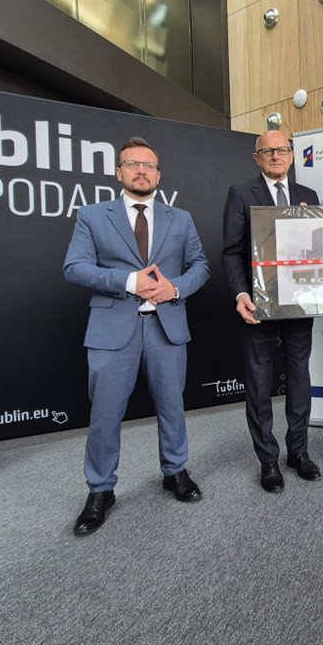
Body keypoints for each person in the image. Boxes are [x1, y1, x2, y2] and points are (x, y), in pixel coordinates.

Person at [64, 136, 210, 536]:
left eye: (148, 165)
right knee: (105, 414)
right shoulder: (93, 216)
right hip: (112, 330)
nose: (141, 171)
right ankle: (100, 489)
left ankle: (175, 471)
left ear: (158, 175)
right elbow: (74, 267)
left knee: (172, 406)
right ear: (119, 172)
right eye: (132, 164)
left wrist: (174, 288)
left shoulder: (181, 218)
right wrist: (129, 281)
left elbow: (200, 266)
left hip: (167, 327)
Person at [221, 130, 321, 494]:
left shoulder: (309, 195)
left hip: (300, 303)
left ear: (292, 155)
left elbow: (318, 250)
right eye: (268, 151)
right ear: (257, 158)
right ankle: (268, 460)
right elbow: (232, 251)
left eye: (282, 150)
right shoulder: (241, 193)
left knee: (299, 379)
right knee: (259, 383)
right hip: (258, 305)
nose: (276, 156)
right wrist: (240, 294)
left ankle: (299, 451)